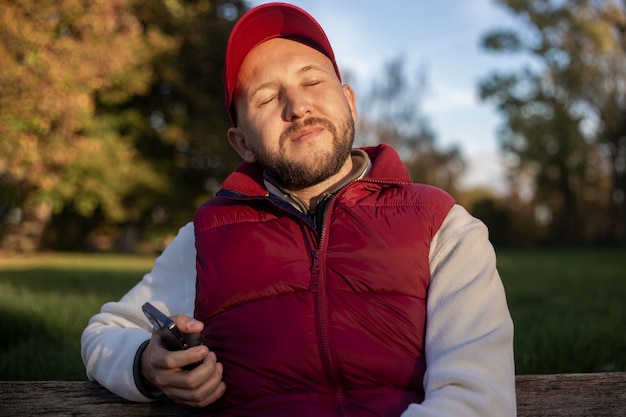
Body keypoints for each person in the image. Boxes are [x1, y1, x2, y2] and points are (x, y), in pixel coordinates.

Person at [81, 2, 516, 416]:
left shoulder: (443, 225)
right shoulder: (204, 238)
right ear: (242, 143)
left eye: (312, 82)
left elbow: (477, 399)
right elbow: (104, 334)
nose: (298, 106)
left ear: (349, 102)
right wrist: (147, 365)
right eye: (268, 98)